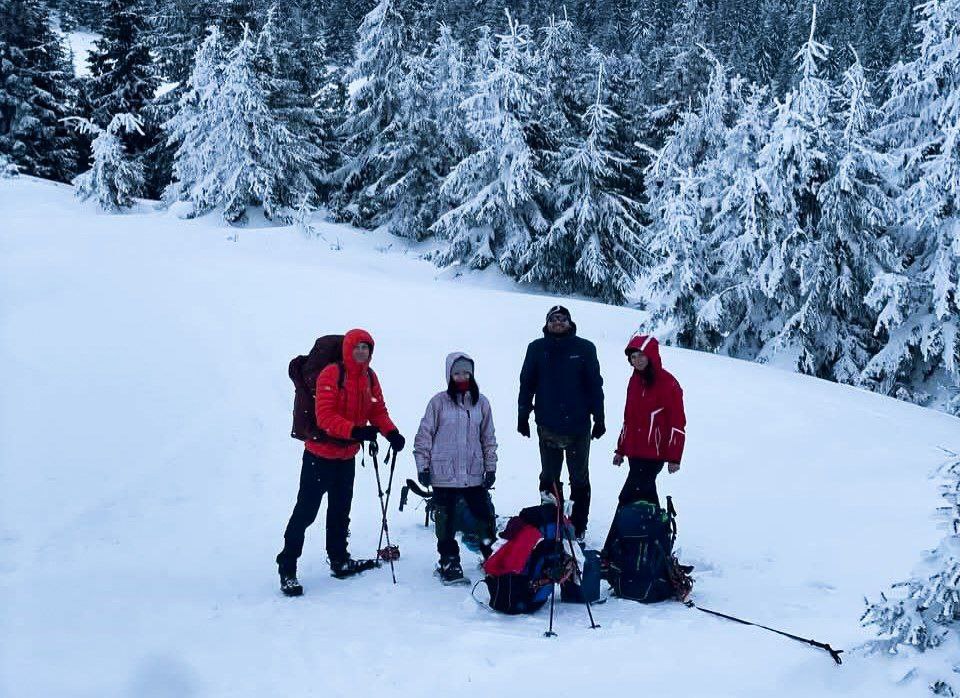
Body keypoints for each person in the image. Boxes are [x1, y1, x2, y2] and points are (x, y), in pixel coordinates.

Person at [276, 329, 406, 596]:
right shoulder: (331, 374)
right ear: (347, 348)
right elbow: (325, 417)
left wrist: (391, 432)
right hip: (319, 456)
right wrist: (356, 431)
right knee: (306, 513)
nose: (361, 351)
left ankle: (339, 560)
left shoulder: (369, 377)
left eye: (365, 347)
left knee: (340, 511)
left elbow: (377, 410)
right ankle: (287, 567)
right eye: (357, 346)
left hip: (346, 458)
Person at [518, 305, 604, 542]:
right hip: (548, 425)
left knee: (579, 478)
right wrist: (522, 415)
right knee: (549, 477)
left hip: (578, 426)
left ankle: (578, 525)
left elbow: (595, 385)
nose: (558, 322)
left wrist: (600, 417)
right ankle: (552, 522)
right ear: (547, 323)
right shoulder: (536, 348)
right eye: (553, 319)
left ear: (570, 323)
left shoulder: (585, 348)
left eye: (562, 319)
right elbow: (527, 383)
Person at [414, 352, 497, 585]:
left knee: (483, 517)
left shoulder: (482, 403)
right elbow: (424, 436)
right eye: (457, 373)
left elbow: (488, 438)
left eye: (466, 373)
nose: (462, 377)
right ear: (449, 375)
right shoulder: (438, 402)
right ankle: (449, 562)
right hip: (443, 474)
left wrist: (490, 467)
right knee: (446, 520)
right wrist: (423, 467)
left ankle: (491, 558)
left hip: (473, 474)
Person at [603, 334, 686, 555]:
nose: (637, 361)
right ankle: (656, 549)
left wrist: (674, 457)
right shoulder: (634, 381)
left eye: (641, 356)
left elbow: (677, 422)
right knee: (647, 498)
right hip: (635, 452)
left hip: (654, 454)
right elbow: (628, 418)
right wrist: (621, 449)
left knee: (627, 497)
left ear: (651, 355)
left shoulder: (668, 383)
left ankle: (612, 549)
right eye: (633, 357)